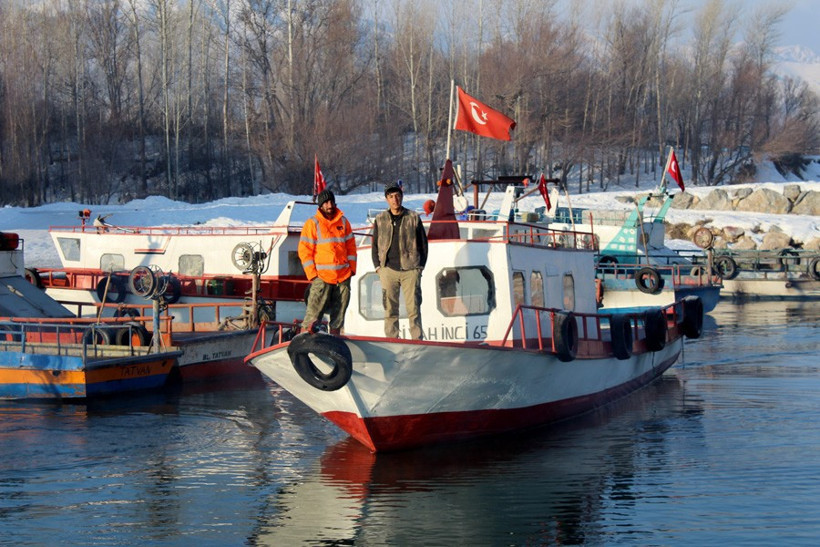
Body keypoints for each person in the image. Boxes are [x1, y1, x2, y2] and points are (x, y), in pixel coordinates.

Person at [371, 183, 428, 339]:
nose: (394, 199)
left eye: (397, 196)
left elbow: (423, 244)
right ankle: (392, 340)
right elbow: (375, 244)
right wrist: (378, 267)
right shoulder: (380, 219)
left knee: (414, 308)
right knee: (390, 310)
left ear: (401, 197)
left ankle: (417, 341)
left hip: (410, 270)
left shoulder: (413, 218)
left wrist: (419, 267)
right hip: (388, 270)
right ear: (386, 199)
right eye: (391, 197)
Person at [298, 189, 357, 335]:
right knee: (313, 315)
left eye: (331, 201)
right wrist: (313, 275)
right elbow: (304, 251)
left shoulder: (343, 222)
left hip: (342, 277)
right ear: (320, 205)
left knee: (339, 316)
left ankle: (335, 340)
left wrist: (351, 270)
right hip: (322, 277)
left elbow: (351, 247)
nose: (329, 205)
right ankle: (303, 339)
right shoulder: (312, 223)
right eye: (326, 202)